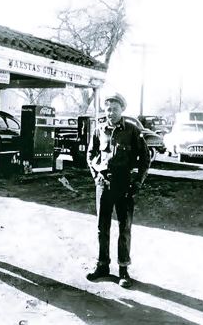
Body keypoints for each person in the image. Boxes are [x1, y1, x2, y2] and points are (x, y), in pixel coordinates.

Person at [85, 92, 150, 288]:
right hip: (103, 185)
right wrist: (96, 176)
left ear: (122, 110)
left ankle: (123, 270)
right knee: (102, 228)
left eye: (114, 109)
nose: (110, 112)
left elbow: (145, 159)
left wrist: (137, 182)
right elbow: (90, 155)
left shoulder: (132, 131)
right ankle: (102, 266)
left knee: (124, 229)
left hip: (124, 186)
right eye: (108, 109)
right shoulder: (99, 130)